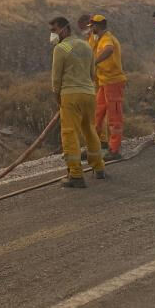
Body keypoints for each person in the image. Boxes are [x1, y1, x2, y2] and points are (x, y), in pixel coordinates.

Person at [50, 16, 105, 188]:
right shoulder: (87, 45)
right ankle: (99, 168)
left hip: (70, 94)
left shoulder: (60, 48)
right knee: (89, 129)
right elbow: (92, 73)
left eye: (54, 30)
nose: (52, 34)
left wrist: (57, 97)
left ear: (64, 29)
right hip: (89, 93)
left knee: (69, 132)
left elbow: (56, 79)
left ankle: (75, 175)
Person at [89, 15, 126, 161]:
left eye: (92, 26)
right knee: (97, 114)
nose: (91, 29)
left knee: (114, 117)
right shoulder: (99, 39)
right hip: (104, 82)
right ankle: (94, 147)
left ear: (98, 26)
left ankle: (114, 149)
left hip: (113, 82)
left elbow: (109, 50)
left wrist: (94, 62)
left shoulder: (107, 39)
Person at [78, 12, 109, 151]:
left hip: (99, 78)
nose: (84, 30)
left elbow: (97, 56)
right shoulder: (89, 39)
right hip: (94, 78)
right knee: (97, 111)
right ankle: (99, 140)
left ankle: (101, 141)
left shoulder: (97, 38)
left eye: (85, 27)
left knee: (98, 110)